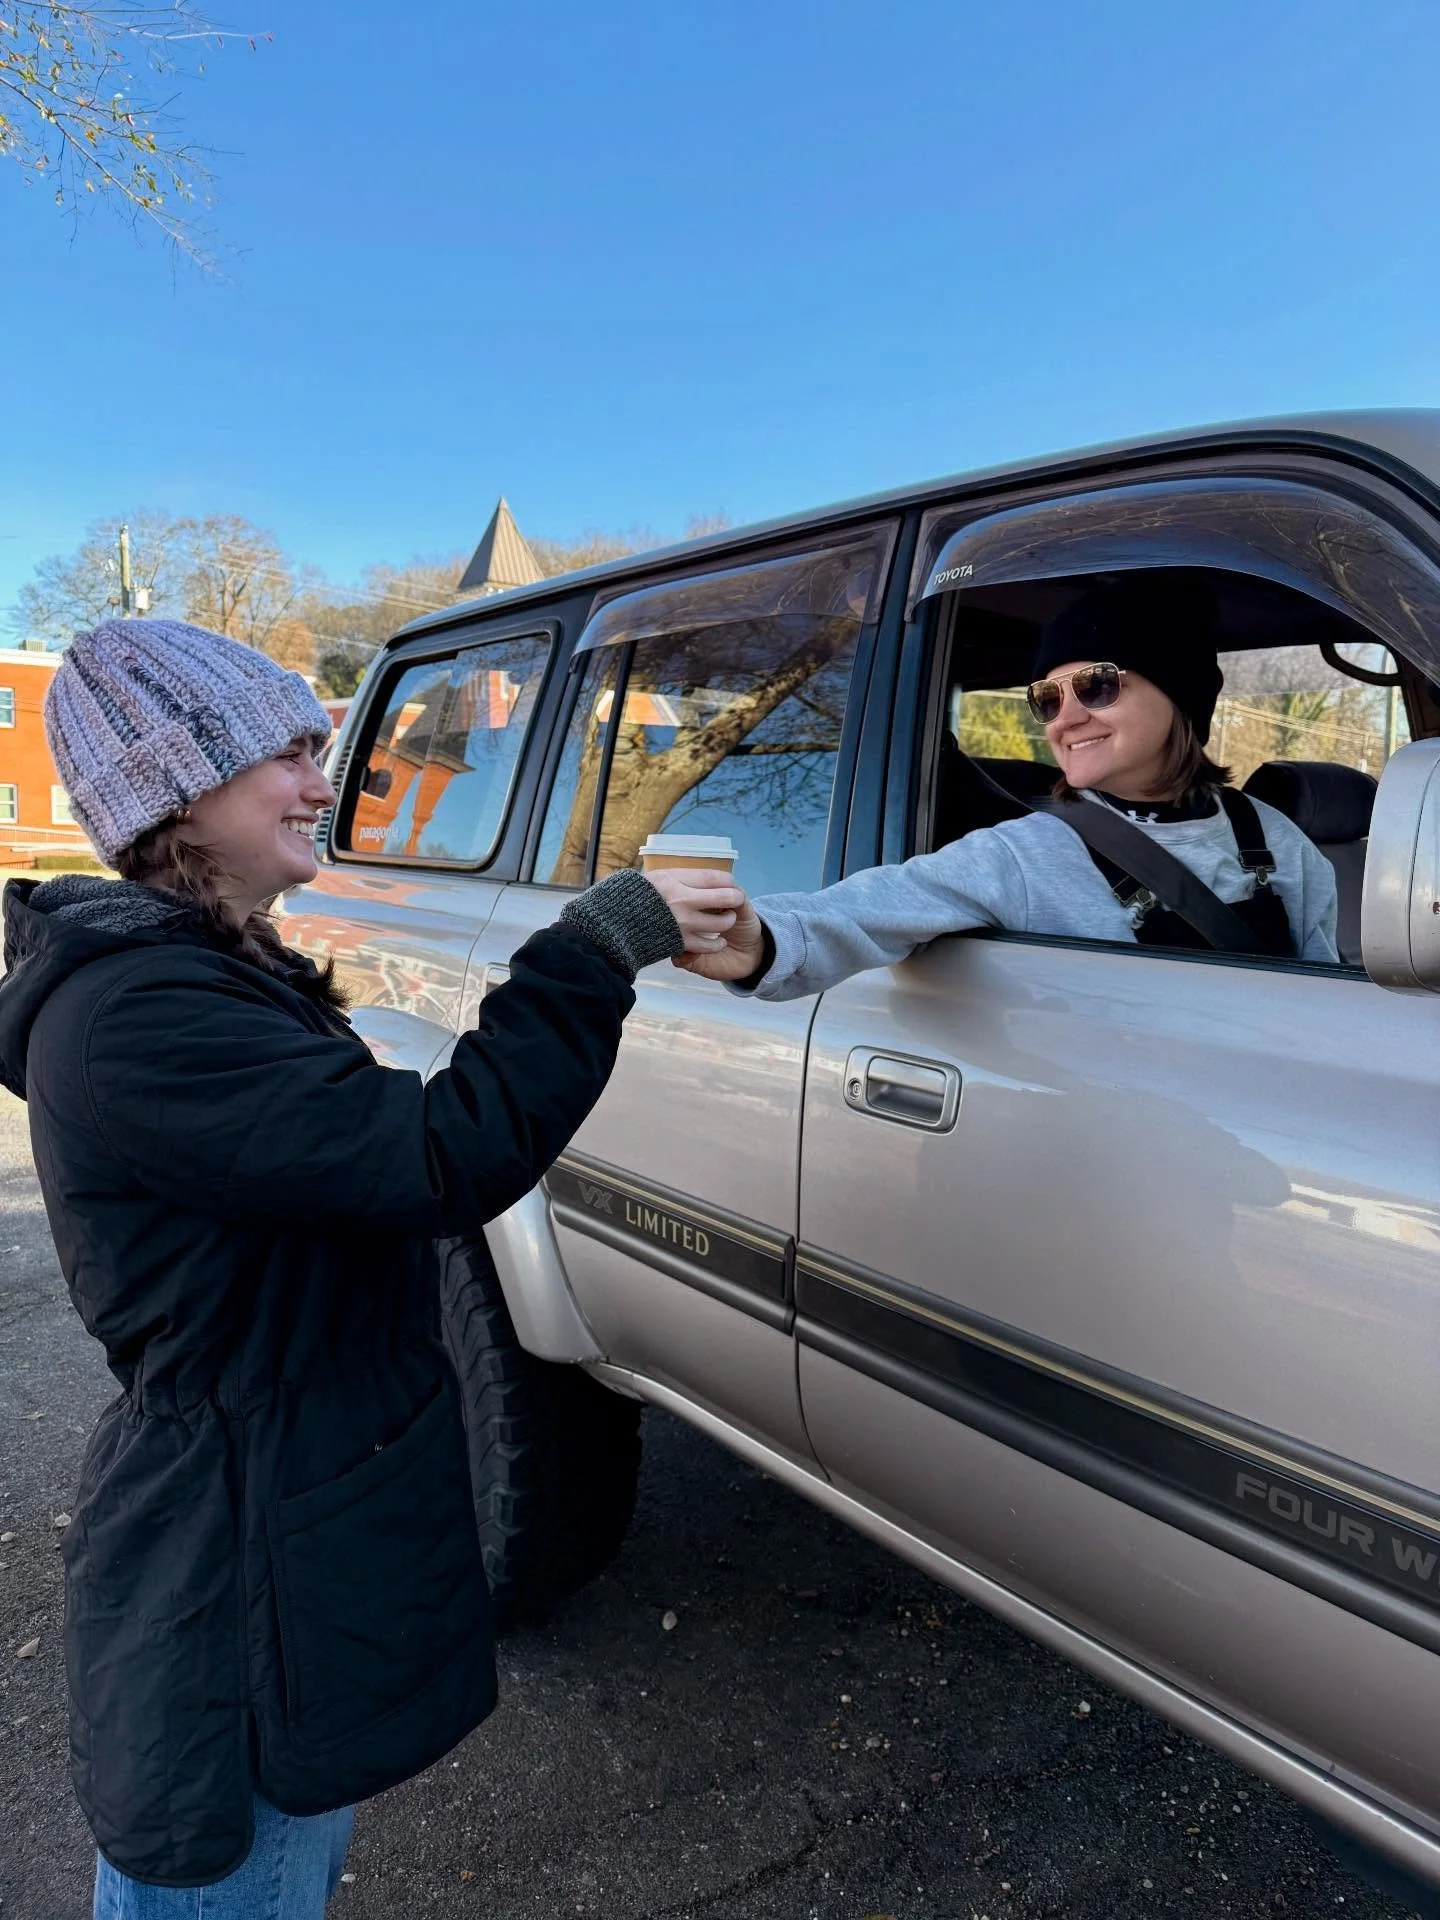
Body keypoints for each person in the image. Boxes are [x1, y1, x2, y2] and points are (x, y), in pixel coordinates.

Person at [0, 619, 732, 1918]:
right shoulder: (143, 1015)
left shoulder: (202, 975)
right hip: (244, 1574)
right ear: (182, 788)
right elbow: (431, 1158)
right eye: (287, 752)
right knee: (243, 1875)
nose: (320, 779)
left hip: (283, 1523)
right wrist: (599, 939)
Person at [648, 573, 1341, 990]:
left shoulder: (1274, 837)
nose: (1065, 719)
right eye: (1047, 696)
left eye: (1097, 685)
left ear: (1182, 697)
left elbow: (1328, 998)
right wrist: (760, 942)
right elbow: (870, 908)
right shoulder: (1025, 853)